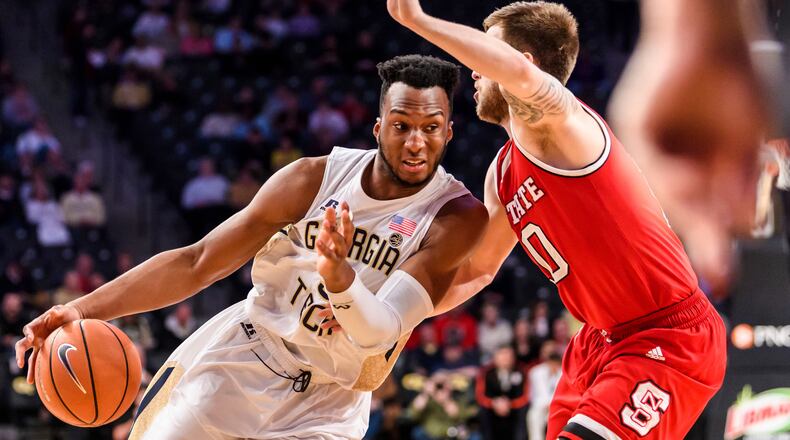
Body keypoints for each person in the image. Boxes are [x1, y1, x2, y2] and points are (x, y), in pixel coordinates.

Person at [15, 54, 487, 440]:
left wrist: (339, 276)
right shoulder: (312, 179)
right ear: (378, 127)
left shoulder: (455, 216)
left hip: (330, 403)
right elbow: (197, 262)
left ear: (449, 132)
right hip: (249, 353)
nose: (416, 142)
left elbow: (379, 331)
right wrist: (80, 308)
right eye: (402, 125)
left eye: (431, 127)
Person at [387, 1, 726, 438]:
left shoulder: (563, 124)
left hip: (666, 332)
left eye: (485, 54)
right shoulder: (503, 172)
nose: (471, 69)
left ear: (521, 62)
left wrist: (418, 21)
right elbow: (476, 270)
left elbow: (526, 81)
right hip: (596, 341)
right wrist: (393, 317)